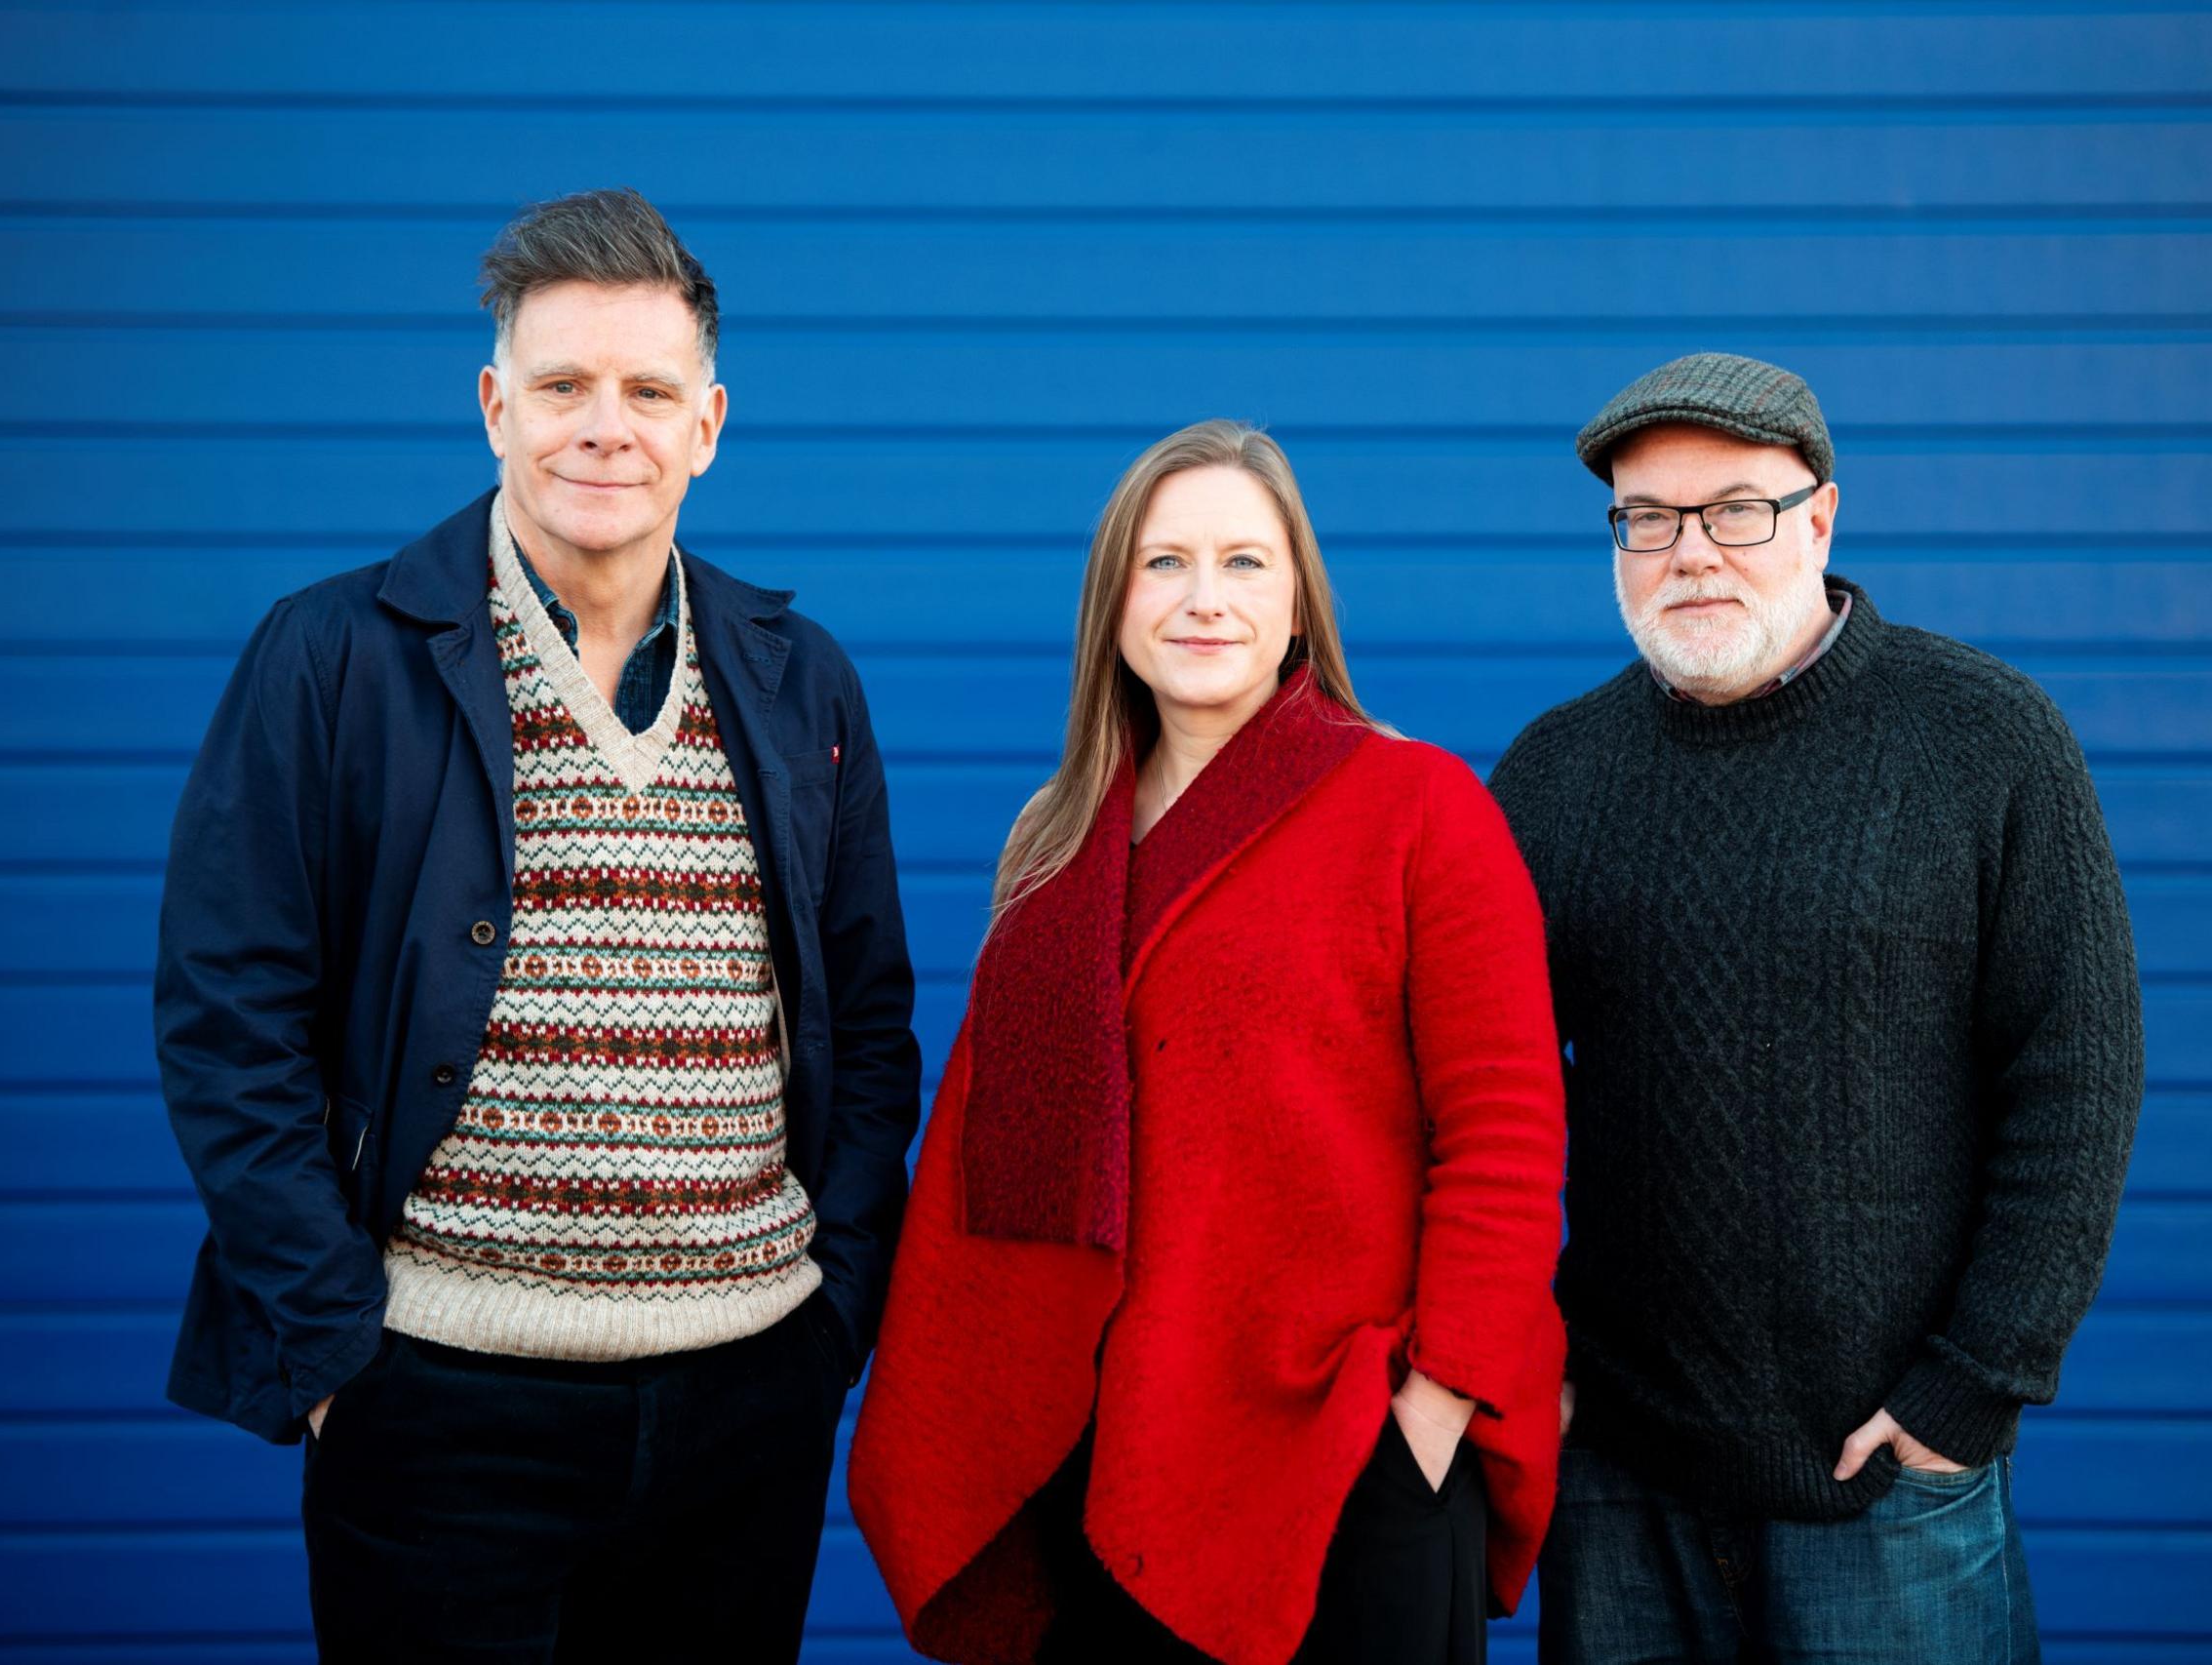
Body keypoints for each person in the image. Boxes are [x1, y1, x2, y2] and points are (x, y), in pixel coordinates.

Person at [155, 187, 921, 1661]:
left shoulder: (798, 676)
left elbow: (868, 1017)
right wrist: (339, 1349)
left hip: (745, 1401)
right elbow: (224, 1016)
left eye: (647, 389)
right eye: (563, 383)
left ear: (708, 423)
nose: (603, 425)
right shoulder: (336, 656)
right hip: (438, 1399)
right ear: (496, 405)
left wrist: (837, 1308)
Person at [847, 420, 1567, 1665]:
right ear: (1113, 603)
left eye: (1245, 563)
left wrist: (1429, 1415)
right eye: (1164, 563)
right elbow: (984, 1158)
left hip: (1342, 1458)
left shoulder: (1417, 808)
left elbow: (1505, 1136)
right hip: (1109, 1464)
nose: (1203, 599)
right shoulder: (1059, 840)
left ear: (1299, 607)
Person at [1491, 353, 2145, 1664]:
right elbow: (1468, 1092)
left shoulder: (1986, 740)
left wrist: (1975, 1378)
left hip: (1891, 1478)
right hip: (1624, 1473)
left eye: (1738, 508)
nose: (1693, 551)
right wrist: (1515, 1352)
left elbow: (2077, 1070)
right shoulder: (1554, 774)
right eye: (1650, 517)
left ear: (1822, 519)